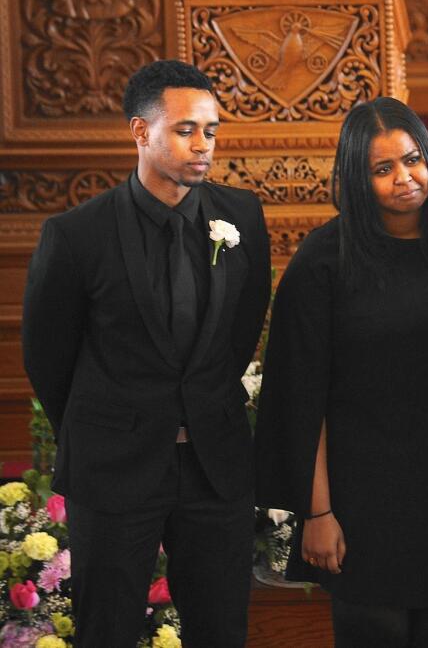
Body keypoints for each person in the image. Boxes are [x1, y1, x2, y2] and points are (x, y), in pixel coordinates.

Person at [22, 59, 272, 645]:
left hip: (215, 464)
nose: (203, 145)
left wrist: (200, 407)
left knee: (221, 629)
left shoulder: (241, 217)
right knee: (105, 629)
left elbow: (239, 330)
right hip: (113, 465)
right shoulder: (76, 234)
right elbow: (47, 357)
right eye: (186, 130)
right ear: (140, 131)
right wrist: (107, 426)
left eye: (211, 130)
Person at [254, 97, 428, 647]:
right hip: (364, 499)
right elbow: (302, 401)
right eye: (383, 169)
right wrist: (318, 512)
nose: (406, 179)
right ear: (356, 178)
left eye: (413, 159)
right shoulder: (322, 262)